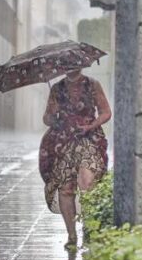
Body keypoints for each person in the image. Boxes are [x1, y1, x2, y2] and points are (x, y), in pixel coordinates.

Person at [39, 69, 112, 249]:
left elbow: (106, 112)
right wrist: (52, 114)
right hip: (62, 142)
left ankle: (89, 229)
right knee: (66, 188)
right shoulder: (57, 88)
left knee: (87, 182)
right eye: (67, 64)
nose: (71, 66)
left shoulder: (92, 84)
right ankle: (72, 236)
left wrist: (91, 126)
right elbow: (47, 119)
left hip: (88, 139)